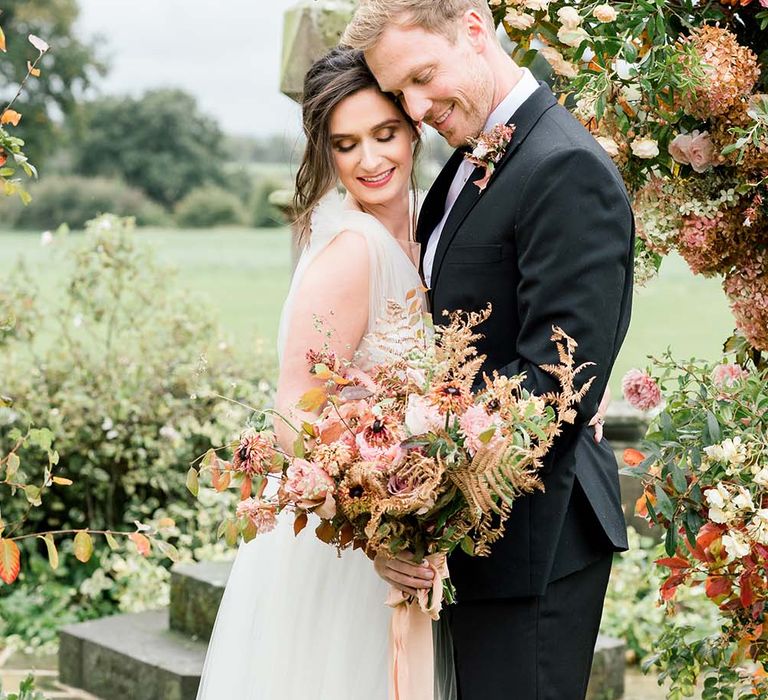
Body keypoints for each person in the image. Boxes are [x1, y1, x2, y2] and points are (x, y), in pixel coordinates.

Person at [344, 2, 634, 698]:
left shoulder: (563, 165)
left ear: (474, 30)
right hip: (476, 539)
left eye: (421, 77)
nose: (414, 108)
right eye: (398, 94)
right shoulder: (481, 155)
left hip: (531, 541)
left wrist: (407, 462)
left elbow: (554, 386)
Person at [195, 47, 454, 699]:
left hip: (416, 529)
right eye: (346, 144)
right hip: (348, 548)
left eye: (384, 134)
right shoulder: (349, 252)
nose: (370, 160)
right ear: (327, 152)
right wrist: (377, 530)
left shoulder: (434, 227)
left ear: (413, 126)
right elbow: (293, 414)